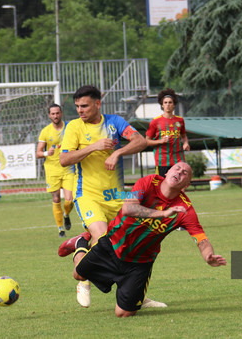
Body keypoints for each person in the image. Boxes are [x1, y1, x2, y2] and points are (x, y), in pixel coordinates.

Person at [64, 162, 226, 317]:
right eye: (177, 168)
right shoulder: (148, 182)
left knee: (123, 314)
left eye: (185, 173)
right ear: (167, 172)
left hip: (140, 262)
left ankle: (132, 292)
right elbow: (128, 208)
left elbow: (201, 238)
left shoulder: (185, 209)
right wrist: (162, 214)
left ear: (187, 185)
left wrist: (208, 255)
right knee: (78, 275)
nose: (179, 172)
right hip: (112, 245)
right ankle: (81, 243)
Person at [59, 85, 169, 308]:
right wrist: (94, 146)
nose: (80, 110)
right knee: (103, 241)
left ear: (98, 104)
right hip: (88, 195)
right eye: (77, 106)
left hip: (118, 196)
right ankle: (85, 280)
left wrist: (118, 151)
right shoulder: (73, 127)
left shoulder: (114, 122)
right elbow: (64, 159)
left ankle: (135, 294)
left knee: (136, 245)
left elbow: (140, 141)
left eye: (85, 105)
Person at [36, 104, 75, 238]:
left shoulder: (69, 128)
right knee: (56, 198)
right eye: (53, 114)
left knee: (69, 200)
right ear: (49, 115)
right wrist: (47, 152)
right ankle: (60, 229)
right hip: (52, 170)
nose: (55, 116)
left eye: (57, 113)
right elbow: (38, 153)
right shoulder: (45, 131)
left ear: (61, 113)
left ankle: (66, 214)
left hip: (68, 168)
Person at [146, 88, 190, 177]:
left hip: (178, 158)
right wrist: (160, 141)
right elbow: (147, 141)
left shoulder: (180, 120)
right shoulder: (155, 121)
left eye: (170, 102)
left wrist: (185, 143)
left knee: (182, 181)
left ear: (174, 105)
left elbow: (184, 136)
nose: (168, 105)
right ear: (162, 105)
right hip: (162, 160)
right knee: (163, 185)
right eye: (165, 103)